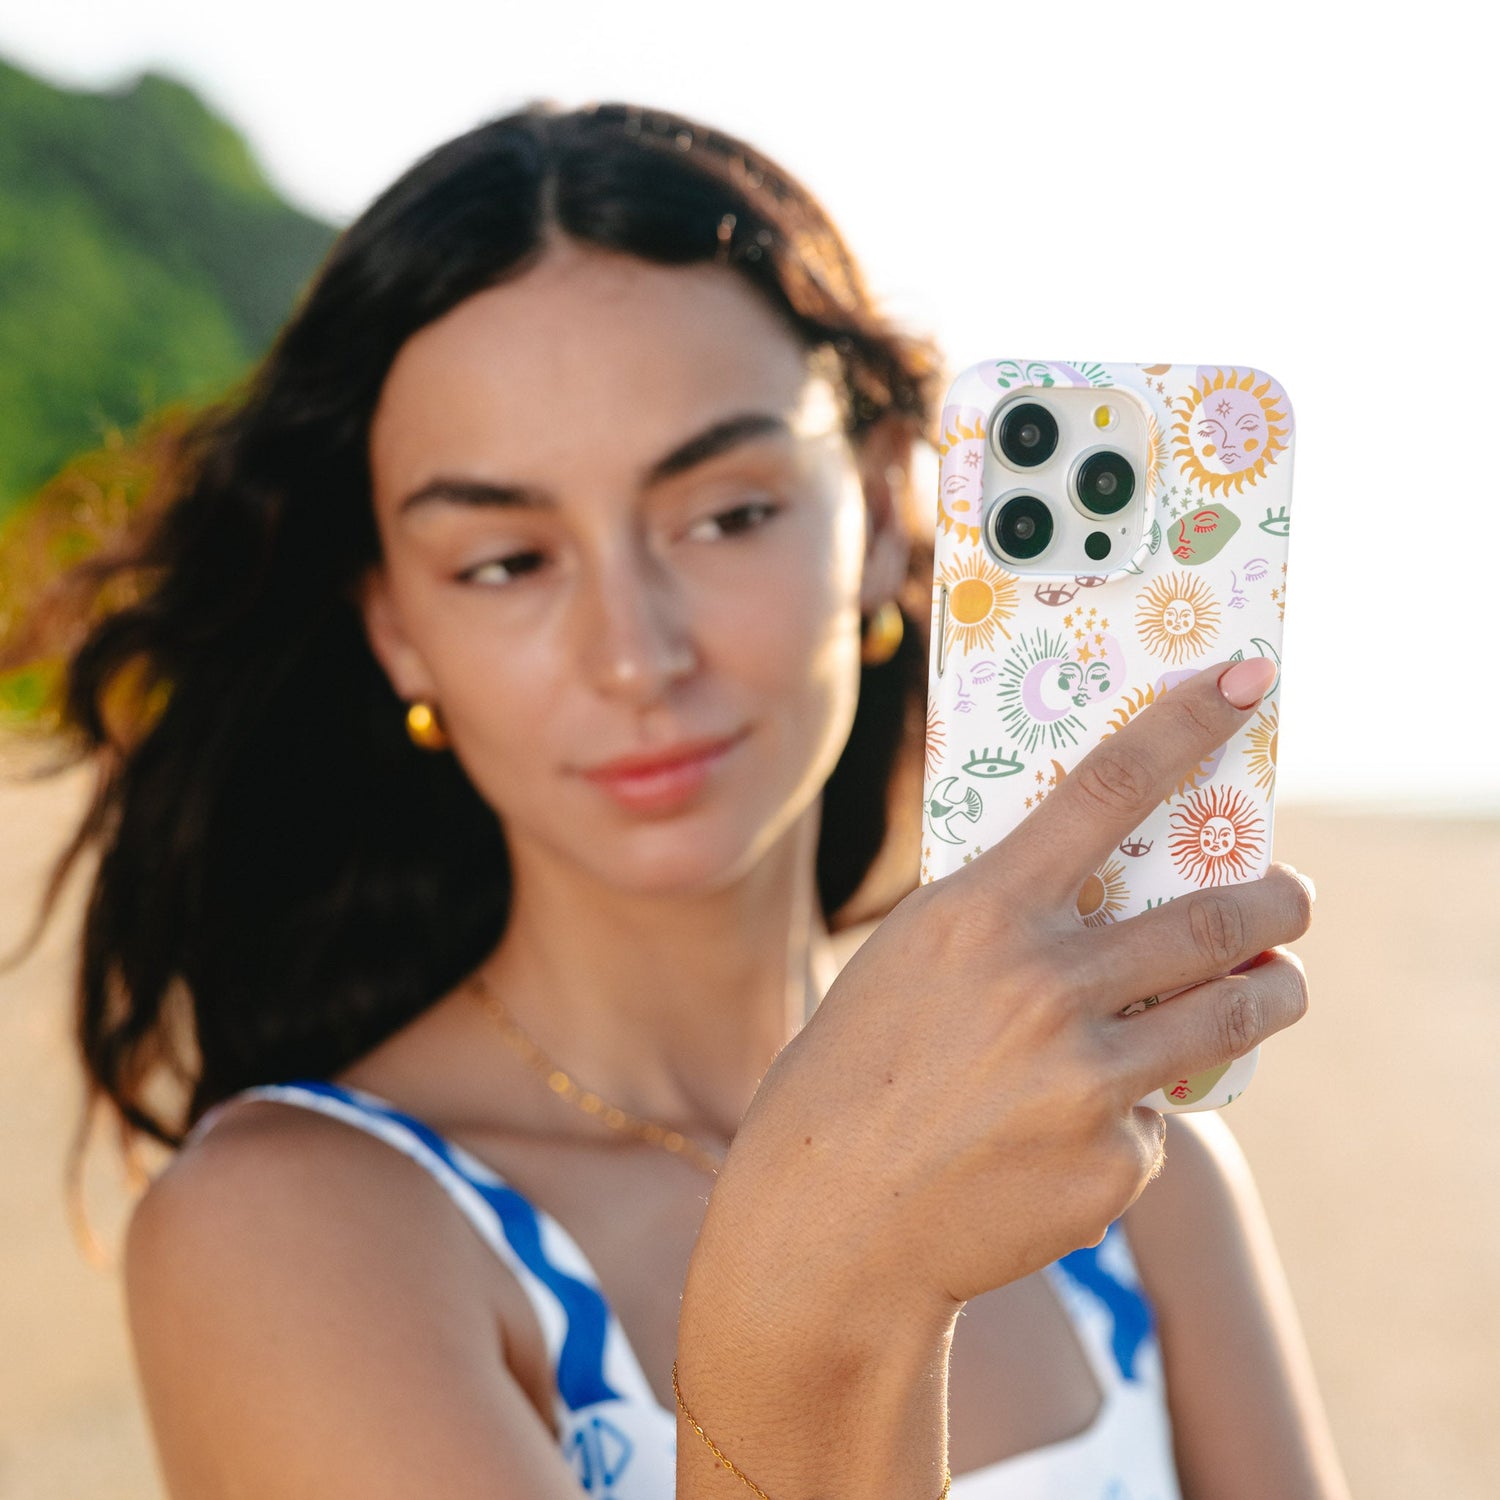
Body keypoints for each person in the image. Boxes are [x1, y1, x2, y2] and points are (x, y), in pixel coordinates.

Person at [26, 103, 1346, 1498]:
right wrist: (838, 1275)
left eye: (726, 515)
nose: (635, 655)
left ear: (882, 517)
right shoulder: (295, 1231)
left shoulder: (1127, 1172)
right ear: (397, 627)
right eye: (505, 561)